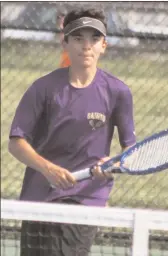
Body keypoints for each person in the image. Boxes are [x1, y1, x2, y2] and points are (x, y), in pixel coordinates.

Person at [8, 7, 136, 256]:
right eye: (78, 38)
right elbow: (16, 142)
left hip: (85, 199)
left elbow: (129, 149)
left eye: (94, 39)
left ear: (104, 46)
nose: (86, 46)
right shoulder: (42, 88)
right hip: (39, 198)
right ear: (64, 42)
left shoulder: (118, 92)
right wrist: (49, 169)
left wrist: (113, 164)